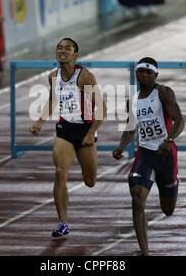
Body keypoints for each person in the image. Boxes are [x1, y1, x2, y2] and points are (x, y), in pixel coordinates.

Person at [30, 38, 107, 237]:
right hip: (64, 129)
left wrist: (91, 134)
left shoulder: (85, 77)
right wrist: (40, 121)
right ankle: (63, 222)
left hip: (85, 131)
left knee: (90, 181)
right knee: (59, 172)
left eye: (67, 49)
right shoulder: (52, 77)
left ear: (75, 55)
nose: (62, 51)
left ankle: (65, 215)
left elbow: (102, 109)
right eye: (59, 48)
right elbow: (53, 99)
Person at [112, 57, 184, 255]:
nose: (143, 75)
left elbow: (180, 121)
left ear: (155, 75)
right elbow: (130, 128)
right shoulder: (133, 100)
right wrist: (121, 146)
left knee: (167, 210)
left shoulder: (163, 93)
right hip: (144, 154)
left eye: (147, 72)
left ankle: (173, 183)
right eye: (140, 72)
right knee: (137, 198)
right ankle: (145, 252)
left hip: (166, 155)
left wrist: (169, 141)